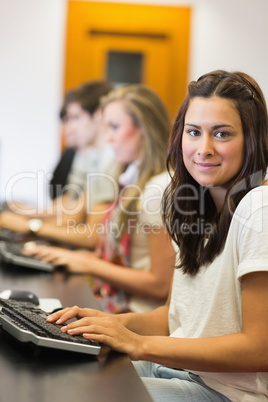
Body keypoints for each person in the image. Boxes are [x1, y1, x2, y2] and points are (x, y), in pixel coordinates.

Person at [44, 71, 268, 401]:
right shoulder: (197, 206)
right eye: (194, 132)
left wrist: (139, 344)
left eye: (221, 134)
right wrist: (111, 324)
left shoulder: (258, 206)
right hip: (180, 370)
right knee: (64, 376)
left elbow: (259, 348)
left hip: (224, 391)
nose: (203, 149)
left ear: (252, 140)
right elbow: (177, 316)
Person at [25, 84, 176, 314]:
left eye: (114, 127)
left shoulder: (159, 188)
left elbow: (160, 285)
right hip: (116, 303)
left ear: (144, 129)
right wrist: (77, 258)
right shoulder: (130, 179)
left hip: (134, 316)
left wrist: (88, 264)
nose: (108, 137)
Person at [0, 80, 117, 249]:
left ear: (98, 115)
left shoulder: (109, 159)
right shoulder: (92, 157)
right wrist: (31, 217)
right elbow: (74, 207)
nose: (68, 128)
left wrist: (31, 224)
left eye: (76, 118)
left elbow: (90, 232)